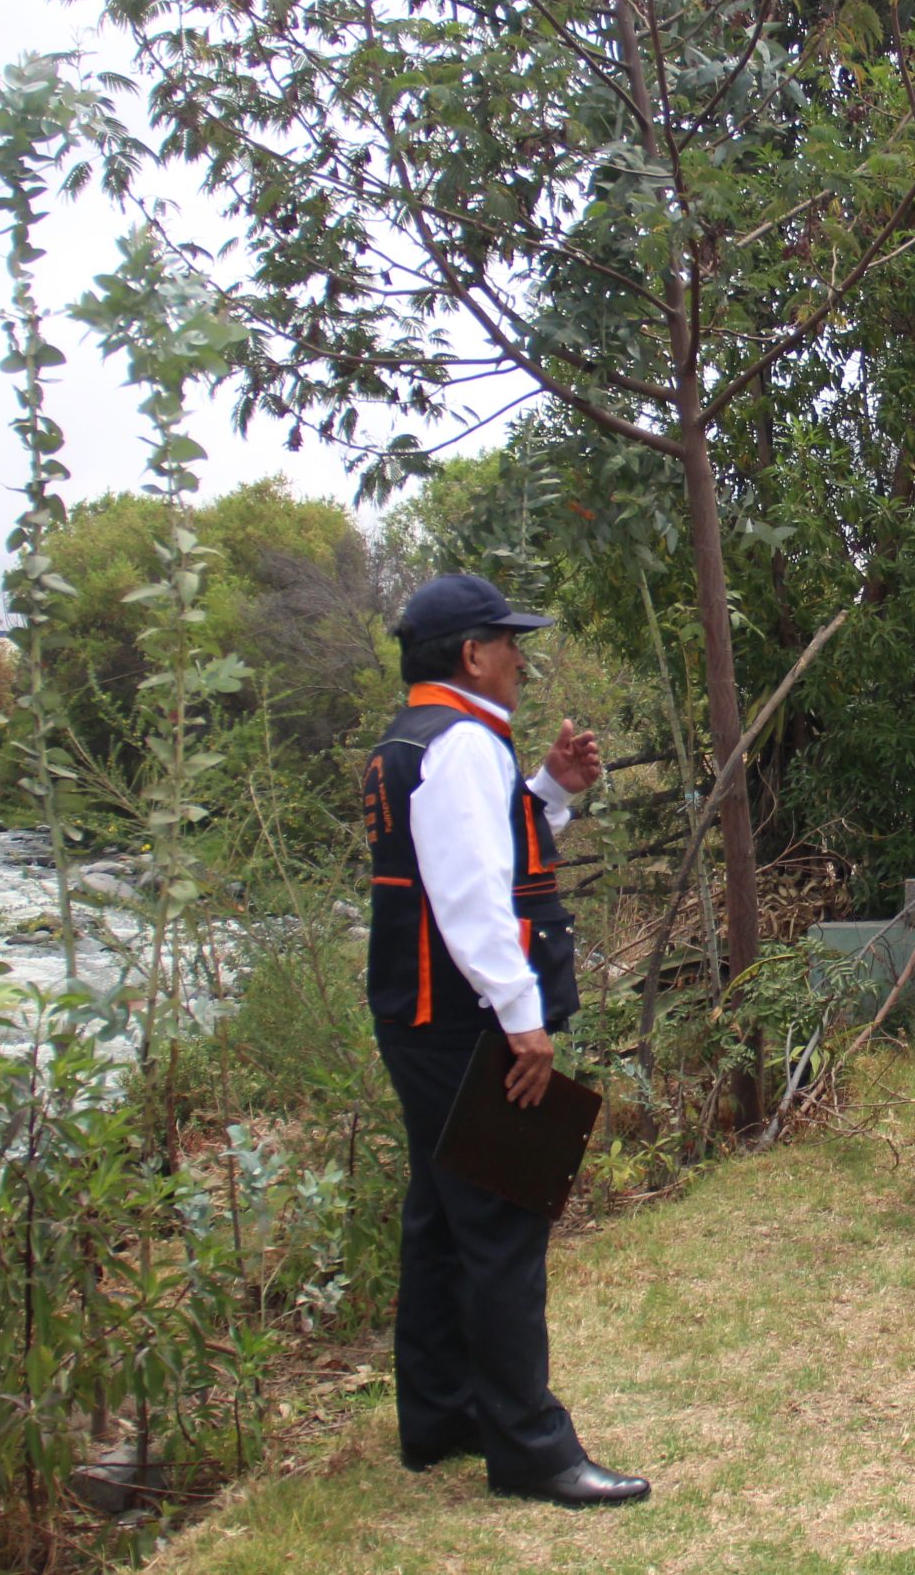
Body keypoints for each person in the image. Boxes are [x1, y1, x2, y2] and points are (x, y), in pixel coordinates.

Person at [361, 574, 649, 1507]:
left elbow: (479, 844)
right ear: (470, 655)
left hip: (420, 1014)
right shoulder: (460, 742)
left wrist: (549, 792)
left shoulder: (422, 740)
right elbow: (470, 893)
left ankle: (442, 1414)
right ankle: (530, 1447)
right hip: (463, 1018)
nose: (521, 656)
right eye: (507, 640)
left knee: (443, 1219)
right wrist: (521, 1018)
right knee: (502, 1223)